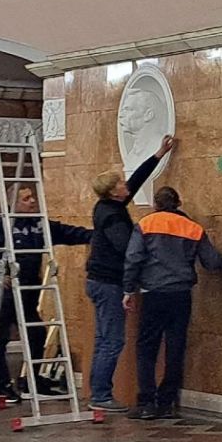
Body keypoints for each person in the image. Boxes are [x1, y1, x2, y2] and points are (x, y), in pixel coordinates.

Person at [0, 186, 92, 404]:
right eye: (26, 199)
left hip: (27, 292)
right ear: (14, 203)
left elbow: (66, 232)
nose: (32, 201)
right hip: (3, 294)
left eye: (32, 197)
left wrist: (95, 236)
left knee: (36, 335)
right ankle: (2, 386)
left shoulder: (37, 225)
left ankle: (32, 381)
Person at [85, 134, 176, 413]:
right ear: (114, 192)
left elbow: (136, 181)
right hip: (108, 282)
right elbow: (126, 246)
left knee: (103, 338)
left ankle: (97, 390)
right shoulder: (112, 215)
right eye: (120, 184)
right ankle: (101, 394)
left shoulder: (109, 205)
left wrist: (158, 155)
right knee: (112, 340)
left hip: (98, 280)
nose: (125, 185)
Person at [122, 186, 222, 420]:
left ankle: (147, 403)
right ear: (178, 203)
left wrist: (128, 289)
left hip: (153, 293)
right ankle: (167, 402)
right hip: (181, 294)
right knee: (175, 347)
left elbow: (133, 258)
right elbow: (212, 262)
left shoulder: (146, 224)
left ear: (156, 204)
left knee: (147, 348)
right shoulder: (193, 228)